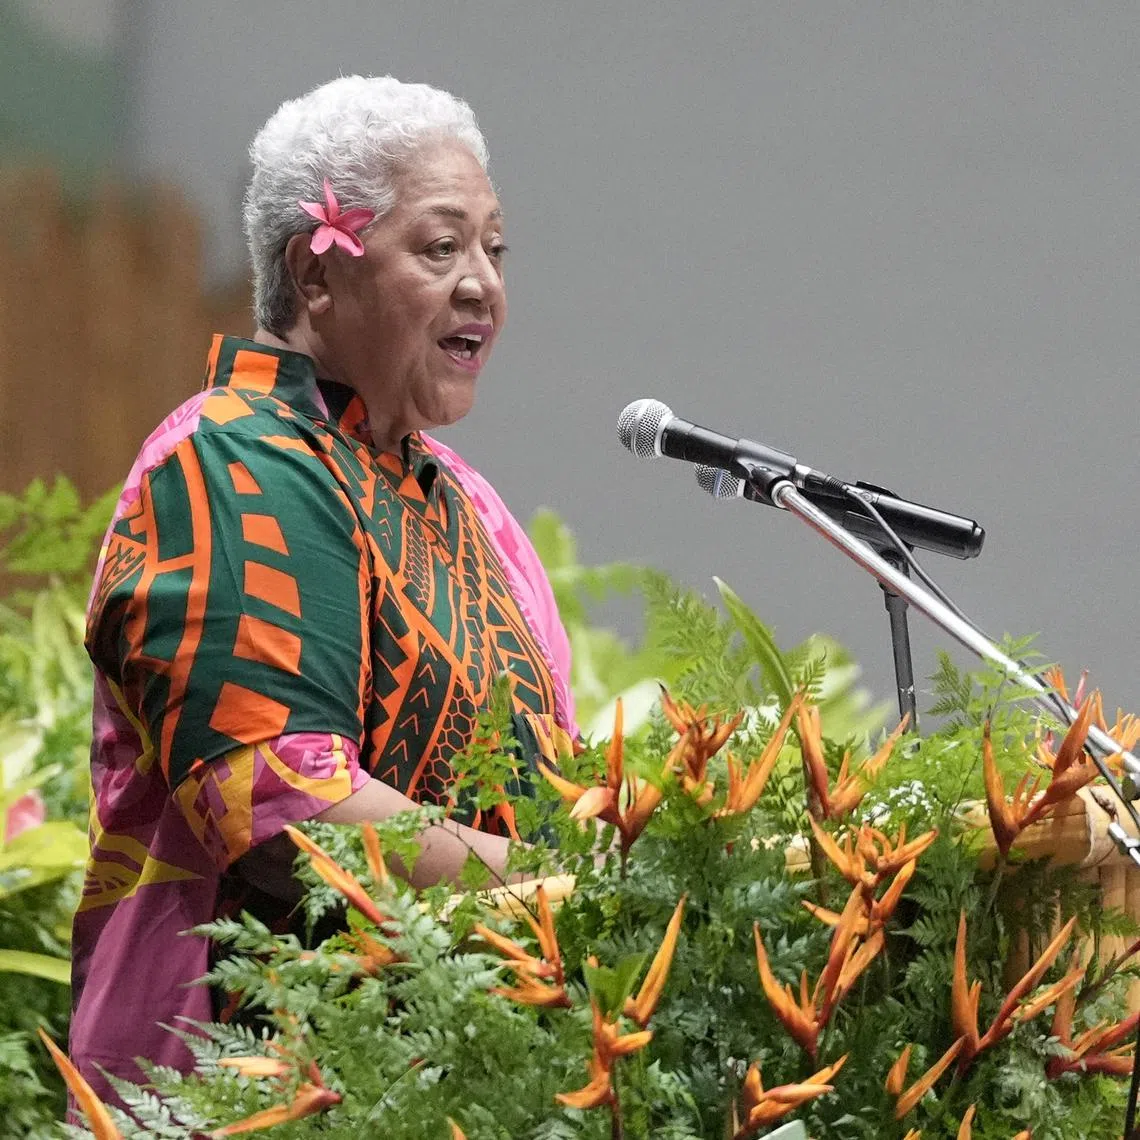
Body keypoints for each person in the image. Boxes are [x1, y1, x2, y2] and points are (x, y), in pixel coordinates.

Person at [69, 75, 577, 1100]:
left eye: (493, 247)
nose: (483, 283)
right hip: (246, 1090)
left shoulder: (463, 504)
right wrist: (562, 891)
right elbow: (273, 799)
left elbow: (541, 785)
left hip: (455, 1082)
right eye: (441, 248)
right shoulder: (230, 463)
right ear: (315, 275)